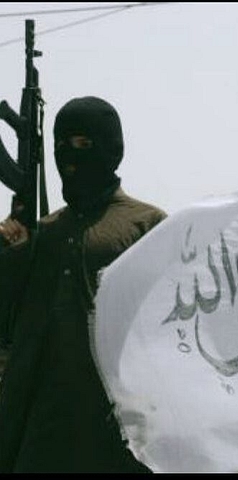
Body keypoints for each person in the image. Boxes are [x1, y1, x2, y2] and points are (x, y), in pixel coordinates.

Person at [0, 96, 167, 473]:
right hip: (42, 436)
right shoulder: (40, 236)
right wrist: (11, 256)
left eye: (83, 145)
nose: (69, 156)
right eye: (61, 145)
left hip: (117, 438)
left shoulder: (149, 225)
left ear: (110, 148)